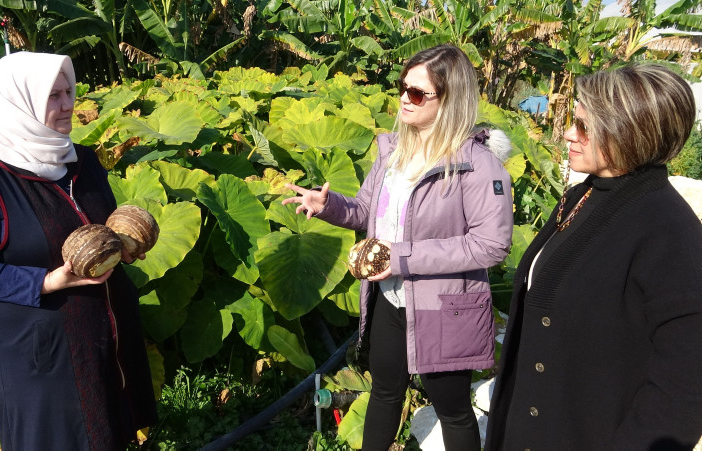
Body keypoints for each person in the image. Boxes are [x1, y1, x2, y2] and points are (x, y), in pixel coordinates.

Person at [283, 44, 513, 450]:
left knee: (453, 410)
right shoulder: (394, 152)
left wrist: (402, 258)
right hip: (390, 297)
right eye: (403, 87)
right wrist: (328, 206)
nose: (405, 98)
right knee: (385, 393)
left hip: (445, 307)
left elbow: (491, 245)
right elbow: (366, 211)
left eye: (418, 93)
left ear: (450, 99)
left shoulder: (478, 165)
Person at [0, 52, 157, 450]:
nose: (68, 103)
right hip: (43, 351)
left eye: (69, 91)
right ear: (21, 101)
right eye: (53, 95)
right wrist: (48, 281)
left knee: (110, 430)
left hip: (105, 335)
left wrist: (122, 246)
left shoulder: (81, 160)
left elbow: (99, 227)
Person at [485, 64, 702, 450]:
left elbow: (684, 388)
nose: (569, 134)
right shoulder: (584, 194)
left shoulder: (669, 231)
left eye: (584, 126)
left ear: (628, 131)